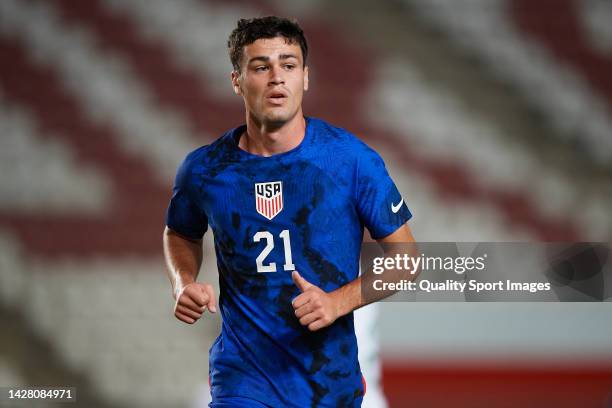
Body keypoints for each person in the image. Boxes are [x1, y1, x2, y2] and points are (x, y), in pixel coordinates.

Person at [163, 16, 415, 407]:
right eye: (261, 66)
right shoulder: (205, 169)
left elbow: (407, 260)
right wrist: (183, 281)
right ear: (237, 81)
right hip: (243, 381)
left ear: (306, 77)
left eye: (289, 65)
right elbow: (179, 232)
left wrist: (336, 302)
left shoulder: (350, 160)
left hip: (328, 383)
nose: (277, 77)